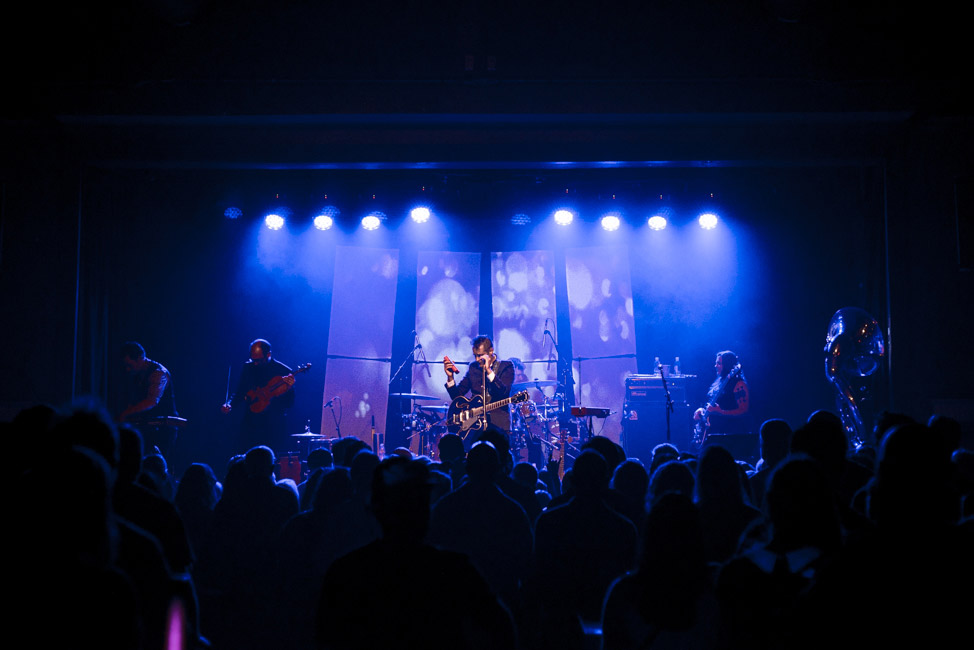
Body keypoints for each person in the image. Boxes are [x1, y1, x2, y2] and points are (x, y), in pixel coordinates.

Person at [222, 339, 296, 455]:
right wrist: (230, 404)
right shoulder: (249, 367)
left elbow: (289, 403)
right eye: (253, 359)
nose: (255, 363)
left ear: (268, 355)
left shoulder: (283, 371)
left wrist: (289, 389)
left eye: (258, 360)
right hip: (251, 422)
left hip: (272, 425)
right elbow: (240, 391)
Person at [444, 335, 514, 440]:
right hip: (475, 426)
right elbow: (457, 397)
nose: (477, 359)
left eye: (480, 355)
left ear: (491, 351)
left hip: (498, 425)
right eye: (475, 356)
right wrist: (450, 377)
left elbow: (503, 393)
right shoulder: (473, 367)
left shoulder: (506, 366)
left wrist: (489, 370)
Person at [119, 341, 179, 457]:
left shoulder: (158, 373)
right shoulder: (138, 374)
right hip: (148, 428)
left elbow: (151, 401)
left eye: (129, 365)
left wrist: (126, 413)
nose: (127, 369)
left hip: (163, 429)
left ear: (140, 358)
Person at [693, 350, 751, 439]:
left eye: (719, 363)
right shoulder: (720, 382)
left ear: (727, 365)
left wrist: (721, 412)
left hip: (731, 433)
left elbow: (743, 411)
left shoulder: (739, 384)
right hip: (715, 431)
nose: (715, 366)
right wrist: (702, 411)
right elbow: (711, 405)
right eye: (716, 363)